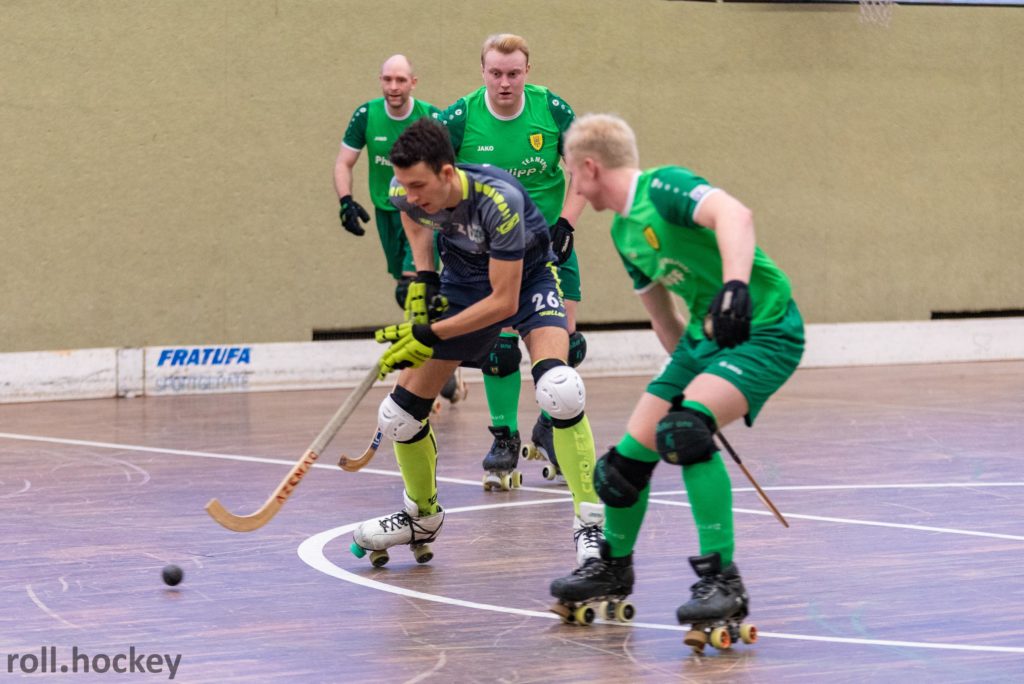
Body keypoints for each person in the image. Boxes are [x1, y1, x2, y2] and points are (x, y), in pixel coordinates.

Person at [547, 114, 805, 647]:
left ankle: (722, 580)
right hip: (702, 341)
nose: (574, 188)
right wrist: (687, 380)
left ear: (589, 167)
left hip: (765, 328)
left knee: (684, 433)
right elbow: (665, 321)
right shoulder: (623, 233)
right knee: (620, 471)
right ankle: (612, 568)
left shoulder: (664, 188)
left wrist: (735, 287)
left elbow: (735, 215)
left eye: (572, 174)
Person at [348, 118, 603, 570]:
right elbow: (410, 215)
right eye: (405, 185)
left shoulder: (498, 202)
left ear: (447, 173)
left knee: (560, 389)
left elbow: (504, 303)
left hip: (526, 281)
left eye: (419, 185)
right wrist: (425, 277)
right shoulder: (406, 188)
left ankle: (593, 526)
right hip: (462, 283)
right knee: (399, 416)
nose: (410, 195)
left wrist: (430, 333)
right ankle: (421, 517)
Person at [438, 34, 587, 484]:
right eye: (496, 73)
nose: (505, 82)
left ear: (527, 72)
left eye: (514, 74)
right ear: (483, 72)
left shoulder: (551, 110)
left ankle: (548, 427)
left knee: (568, 345)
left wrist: (567, 223)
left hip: (549, 244)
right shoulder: (461, 118)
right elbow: (432, 181)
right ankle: (503, 437)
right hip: (493, 250)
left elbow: (582, 170)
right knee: (501, 349)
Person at [334, 56, 464, 403]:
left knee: (414, 289)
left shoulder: (431, 117)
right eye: (388, 80)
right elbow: (344, 161)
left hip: (422, 208)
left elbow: (453, 163)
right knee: (405, 291)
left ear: (413, 82)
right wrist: (345, 201)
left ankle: (423, 373)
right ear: (380, 80)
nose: (394, 87)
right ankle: (443, 359)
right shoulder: (367, 115)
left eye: (401, 80)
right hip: (387, 211)